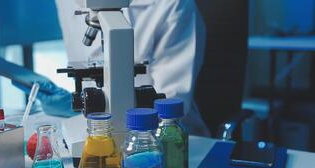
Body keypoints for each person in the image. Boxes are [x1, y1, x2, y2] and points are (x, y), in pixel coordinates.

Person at [13, 0, 209, 136]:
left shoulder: (172, 5)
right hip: (94, 124)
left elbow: (171, 101)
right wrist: (79, 106)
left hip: (165, 137)